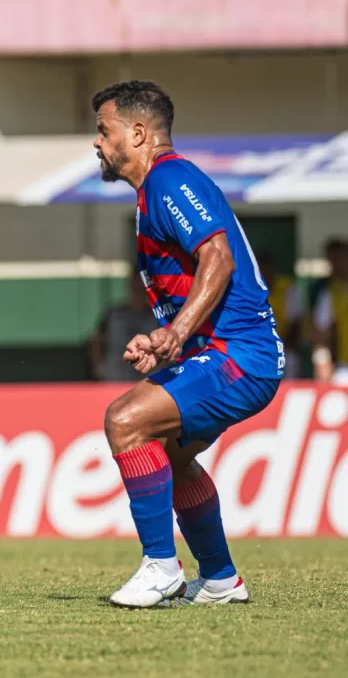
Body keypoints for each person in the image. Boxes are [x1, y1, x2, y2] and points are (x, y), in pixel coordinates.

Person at [92, 81, 283, 607]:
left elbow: (217, 258)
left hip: (239, 357)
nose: (97, 143)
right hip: (224, 353)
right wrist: (164, 339)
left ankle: (161, 567)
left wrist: (176, 335)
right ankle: (220, 580)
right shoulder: (155, 189)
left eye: (103, 131)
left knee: (125, 421)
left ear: (137, 132)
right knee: (170, 457)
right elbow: (201, 280)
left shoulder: (169, 178)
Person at [87, 270, 160, 382]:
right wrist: (99, 366)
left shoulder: (156, 316)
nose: (138, 289)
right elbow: (96, 339)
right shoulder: (114, 314)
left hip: (147, 381)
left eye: (141, 286)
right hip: (115, 378)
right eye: (136, 285)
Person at [258, 253, 304, 379]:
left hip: (284, 347)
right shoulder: (252, 290)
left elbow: (295, 323)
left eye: (266, 269)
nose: (263, 273)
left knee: (290, 360)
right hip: (258, 347)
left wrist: (281, 346)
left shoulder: (287, 287)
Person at [312, 239, 348, 384]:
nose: (336, 265)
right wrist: (322, 362)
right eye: (332, 260)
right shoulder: (330, 292)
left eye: (340, 259)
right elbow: (321, 332)